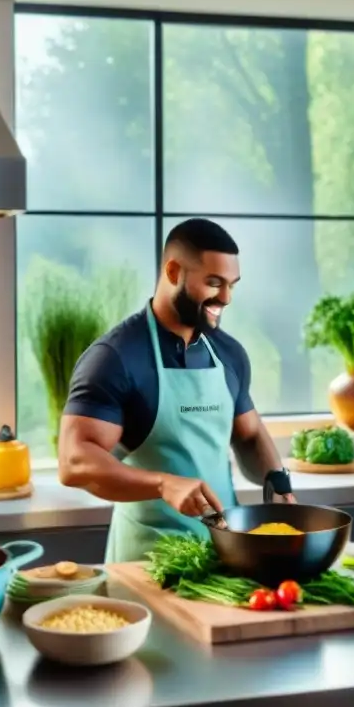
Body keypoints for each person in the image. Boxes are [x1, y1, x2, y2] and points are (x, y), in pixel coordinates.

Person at [58, 217, 297, 563]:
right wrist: (162, 484)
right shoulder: (115, 357)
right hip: (146, 564)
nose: (226, 298)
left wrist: (276, 481)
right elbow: (73, 461)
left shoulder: (229, 353)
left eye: (232, 284)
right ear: (173, 272)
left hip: (225, 556)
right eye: (214, 283)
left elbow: (247, 434)